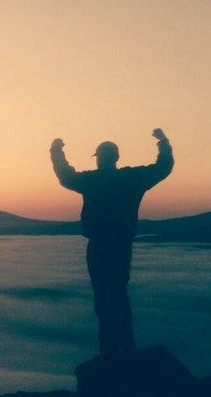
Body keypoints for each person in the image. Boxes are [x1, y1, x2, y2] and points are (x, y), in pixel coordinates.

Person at [51, 129, 174, 358]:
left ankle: (109, 350)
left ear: (99, 157)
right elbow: (163, 168)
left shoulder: (92, 180)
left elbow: (65, 176)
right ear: (116, 158)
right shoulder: (132, 179)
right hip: (121, 246)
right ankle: (126, 347)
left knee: (103, 296)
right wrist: (163, 142)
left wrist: (56, 150)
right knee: (118, 293)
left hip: (98, 246)